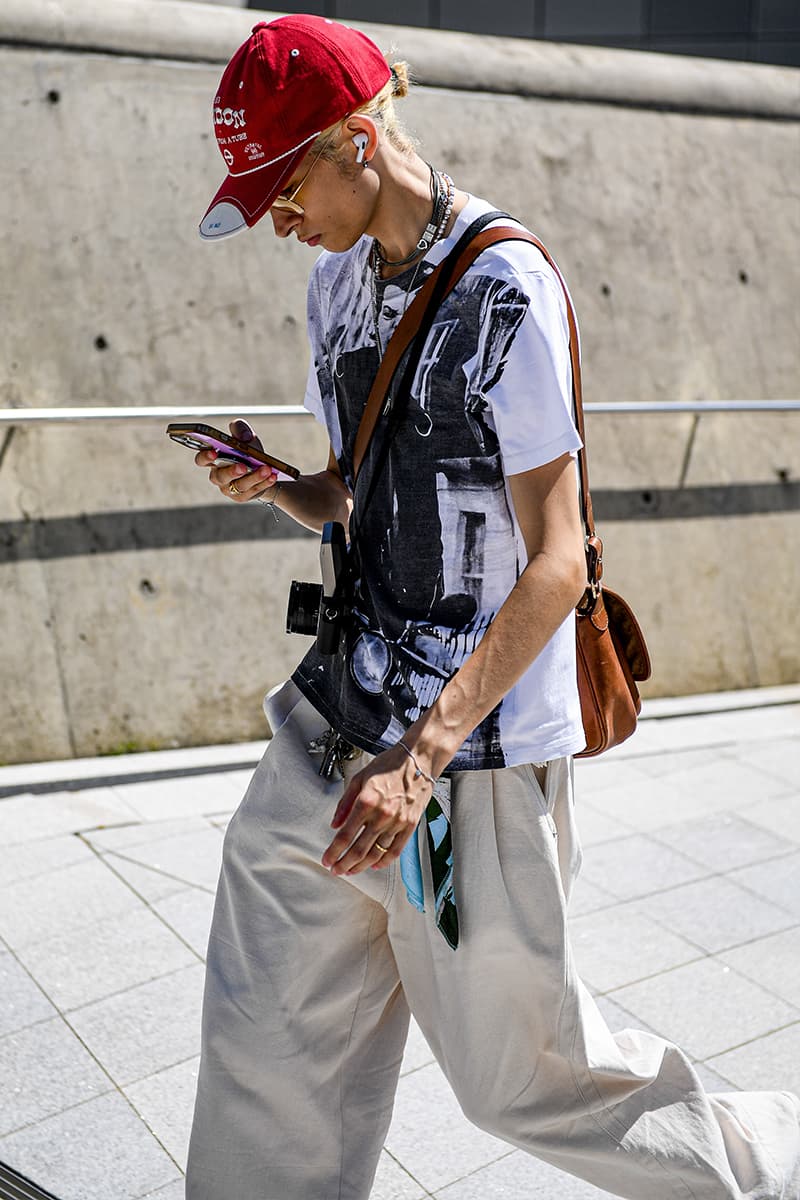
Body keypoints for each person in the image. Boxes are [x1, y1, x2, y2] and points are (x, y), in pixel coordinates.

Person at [185, 15, 800, 1200]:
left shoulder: (505, 287)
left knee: (525, 1080)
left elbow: (555, 559)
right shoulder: (332, 291)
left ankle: (768, 1165)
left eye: (283, 182)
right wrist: (285, 487)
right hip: (329, 728)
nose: (273, 216)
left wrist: (418, 761)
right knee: (260, 1037)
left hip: (466, 760)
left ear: (358, 137)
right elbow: (361, 500)